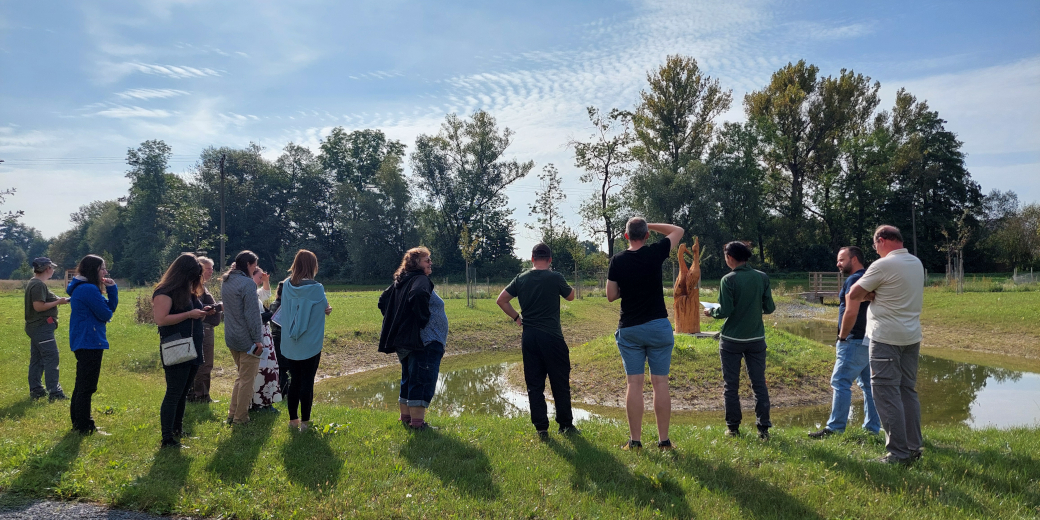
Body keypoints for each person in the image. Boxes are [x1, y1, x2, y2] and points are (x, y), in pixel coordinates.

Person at [848, 225, 925, 465]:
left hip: (886, 338)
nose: (875, 250)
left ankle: (898, 454)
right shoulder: (916, 263)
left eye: (875, 245)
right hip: (911, 337)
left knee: (885, 393)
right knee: (907, 391)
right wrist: (875, 293)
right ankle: (913, 447)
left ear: (881, 240)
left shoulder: (883, 265)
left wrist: (871, 294)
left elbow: (853, 294)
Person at [606, 217, 684, 450]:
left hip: (630, 329)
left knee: (634, 384)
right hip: (658, 327)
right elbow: (677, 230)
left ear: (626, 236)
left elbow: (611, 295)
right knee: (660, 383)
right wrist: (649, 225)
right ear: (647, 235)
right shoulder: (655, 252)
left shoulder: (617, 260)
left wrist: (628, 288)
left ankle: (635, 441)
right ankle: (664, 441)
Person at [496, 243, 576, 440]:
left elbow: (501, 300)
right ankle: (565, 425)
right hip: (552, 337)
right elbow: (571, 296)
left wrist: (517, 317)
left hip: (530, 337)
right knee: (559, 381)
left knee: (534, 383)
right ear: (550, 260)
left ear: (532, 259)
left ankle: (541, 428)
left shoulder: (521, 278)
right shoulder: (555, 277)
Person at [704, 241, 776, 440]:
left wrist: (711, 311)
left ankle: (733, 428)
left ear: (729, 258)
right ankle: (763, 429)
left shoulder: (728, 280)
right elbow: (769, 308)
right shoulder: (762, 277)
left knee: (731, 385)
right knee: (759, 384)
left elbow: (725, 310)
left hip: (731, 340)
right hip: (756, 338)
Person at [808, 246, 881, 438]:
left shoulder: (854, 280)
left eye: (841, 260)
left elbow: (851, 311)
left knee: (840, 381)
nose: (838, 264)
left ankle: (835, 428)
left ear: (854, 259)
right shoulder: (868, 277)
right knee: (869, 386)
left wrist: (842, 336)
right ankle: (872, 429)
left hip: (853, 339)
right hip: (868, 338)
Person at [378, 247, 444, 431]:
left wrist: (401, 321)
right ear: (416, 264)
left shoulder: (402, 280)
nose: (430, 262)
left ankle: (406, 418)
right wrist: (421, 320)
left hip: (408, 340)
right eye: (426, 260)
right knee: (421, 380)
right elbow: (418, 295)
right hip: (424, 341)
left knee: (409, 378)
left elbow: (383, 301)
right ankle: (417, 424)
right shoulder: (421, 279)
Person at [152, 253, 210, 448]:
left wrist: (202, 313)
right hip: (176, 347)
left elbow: (190, 314)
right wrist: (189, 314)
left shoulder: (188, 291)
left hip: (193, 346)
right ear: (184, 273)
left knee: (184, 391)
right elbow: (161, 319)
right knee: (174, 392)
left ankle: (177, 429)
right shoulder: (164, 292)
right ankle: (167, 438)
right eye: (194, 276)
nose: (196, 280)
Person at [279, 249, 332, 430]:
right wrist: (327, 308)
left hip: (290, 343)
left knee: (294, 380)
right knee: (307, 381)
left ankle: (293, 420)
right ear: (313, 266)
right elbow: (325, 306)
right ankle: (305, 423)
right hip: (310, 343)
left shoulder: (286, 285)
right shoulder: (316, 288)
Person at [67, 254, 118, 435]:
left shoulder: (82, 287)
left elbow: (108, 309)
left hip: (84, 340)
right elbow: (106, 314)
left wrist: (111, 289)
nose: (105, 272)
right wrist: (112, 291)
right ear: (94, 270)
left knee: (82, 384)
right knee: (87, 387)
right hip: (89, 341)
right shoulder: (88, 289)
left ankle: (78, 423)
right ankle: (84, 426)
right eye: (102, 268)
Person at [221, 250, 266, 426]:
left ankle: (232, 414)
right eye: (254, 266)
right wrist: (258, 340)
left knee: (241, 377)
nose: (255, 269)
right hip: (247, 339)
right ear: (248, 265)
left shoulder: (227, 280)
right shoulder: (247, 284)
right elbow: (252, 315)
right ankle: (240, 418)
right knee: (247, 380)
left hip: (231, 336)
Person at [24, 257, 69, 401]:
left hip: (36, 327)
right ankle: (54, 392)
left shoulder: (34, 282)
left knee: (37, 358)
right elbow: (38, 306)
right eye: (52, 267)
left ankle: (36, 390)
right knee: (51, 357)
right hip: (41, 327)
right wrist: (58, 302)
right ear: (47, 269)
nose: (53, 270)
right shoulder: (38, 285)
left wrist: (62, 300)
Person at [189, 256, 223, 403]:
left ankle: (193, 394)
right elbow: (196, 308)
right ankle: (201, 396)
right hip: (203, 328)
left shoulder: (200, 286)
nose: (211, 271)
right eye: (208, 268)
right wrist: (216, 307)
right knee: (204, 363)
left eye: (212, 268)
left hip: (205, 328)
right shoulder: (196, 287)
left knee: (199, 362)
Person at [250, 266, 282, 411]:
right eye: (259, 277)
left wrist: (266, 281)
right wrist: (263, 317)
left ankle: (266, 401)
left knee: (269, 368)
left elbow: (266, 293)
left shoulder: (254, 293)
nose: (260, 280)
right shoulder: (247, 293)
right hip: (258, 334)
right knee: (261, 369)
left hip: (265, 334)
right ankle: (259, 402)